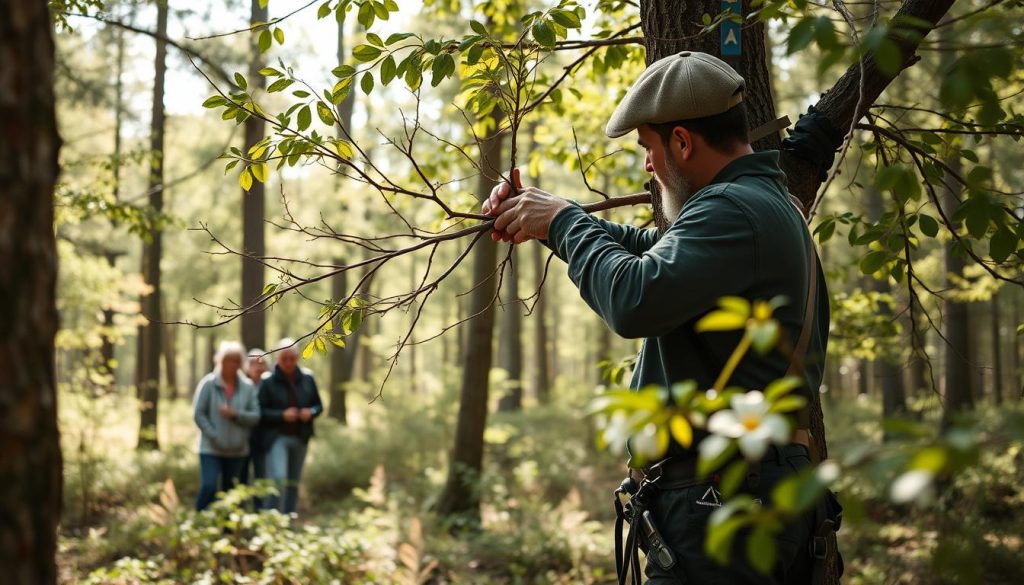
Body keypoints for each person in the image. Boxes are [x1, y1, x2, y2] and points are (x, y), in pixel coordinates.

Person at [483, 51, 832, 584]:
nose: (648, 164)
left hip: (724, 509)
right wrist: (547, 214)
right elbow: (649, 250)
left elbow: (634, 296)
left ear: (683, 142)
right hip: (734, 497)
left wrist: (563, 224)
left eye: (648, 146)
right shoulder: (760, 202)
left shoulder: (732, 209)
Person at [192, 340, 261, 511]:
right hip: (211, 449)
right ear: (220, 361)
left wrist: (236, 414)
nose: (231, 364)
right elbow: (198, 414)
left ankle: (228, 534)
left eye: (235, 360)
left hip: (237, 451)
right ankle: (198, 524)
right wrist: (214, 435)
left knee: (231, 494)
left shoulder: (247, 387)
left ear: (240, 363)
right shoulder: (208, 383)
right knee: (209, 487)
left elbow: (255, 416)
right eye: (227, 360)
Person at [258, 337, 323, 514]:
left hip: (301, 437)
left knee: (294, 482)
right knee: (279, 480)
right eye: (284, 358)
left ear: (297, 358)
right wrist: (282, 415)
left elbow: (319, 406)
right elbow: (260, 412)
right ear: (277, 359)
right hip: (277, 437)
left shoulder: (308, 378)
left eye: (291, 358)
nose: (288, 362)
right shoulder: (267, 381)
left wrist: (310, 412)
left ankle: (288, 520)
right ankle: (271, 519)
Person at [239, 348, 270, 493]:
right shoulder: (240, 385)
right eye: (254, 363)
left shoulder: (269, 385)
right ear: (247, 366)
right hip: (242, 439)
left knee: (261, 477)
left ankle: (260, 510)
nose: (258, 367)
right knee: (240, 477)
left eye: (262, 363)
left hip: (262, 440)